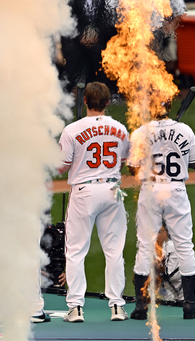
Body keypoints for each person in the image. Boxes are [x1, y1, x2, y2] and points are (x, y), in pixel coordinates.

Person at [57, 82, 131, 322]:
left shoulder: (71, 130)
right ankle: (117, 306)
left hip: (84, 192)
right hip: (112, 189)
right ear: (108, 102)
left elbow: (62, 166)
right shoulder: (120, 128)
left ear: (85, 101)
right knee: (114, 251)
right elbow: (123, 162)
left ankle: (76, 307)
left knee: (76, 251)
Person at [127, 97, 195, 320]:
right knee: (184, 245)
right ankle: (189, 306)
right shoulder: (185, 130)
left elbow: (132, 168)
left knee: (145, 245)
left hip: (150, 190)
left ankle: (140, 307)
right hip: (176, 191)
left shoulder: (141, 132)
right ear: (169, 106)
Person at [59, 0, 118, 94]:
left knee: (101, 52)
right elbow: (69, 16)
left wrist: (95, 32)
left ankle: (102, 90)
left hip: (97, 37)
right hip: (75, 36)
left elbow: (106, 20)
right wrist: (81, 34)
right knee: (71, 51)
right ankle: (70, 90)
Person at [155, 225, 195, 303]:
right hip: (167, 297)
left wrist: (188, 293)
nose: (156, 235)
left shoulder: (179, 250)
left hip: (186, 297)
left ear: (167, 233)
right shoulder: (150, 251)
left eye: (159, 232)